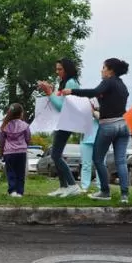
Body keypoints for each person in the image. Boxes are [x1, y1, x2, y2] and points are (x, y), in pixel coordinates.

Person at [61, 58, 131, 203]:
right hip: (124, 125)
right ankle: (124, 195)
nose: (102, 70)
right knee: (121, 162)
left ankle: (105, 191)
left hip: (108, 125)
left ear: (110, 70)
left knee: (98, 159)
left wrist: (71, 91)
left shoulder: (108, 81)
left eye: (104, 67)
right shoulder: (122, 85)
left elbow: (95, 91)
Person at [36, 59, 81, 197]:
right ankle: (63, 186)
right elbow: (59, 100)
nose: (57, 72)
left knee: (55, 155)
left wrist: (49, 93)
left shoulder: (71, 83)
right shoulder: (65, 82)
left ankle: (72, 185)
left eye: (60, 69)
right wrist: (51, 90)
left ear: (67, 69)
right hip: (61, 122)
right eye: (56, 69)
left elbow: (62, 106)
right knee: (56, 155)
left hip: (66, 122)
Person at [0, 104, 32, 198]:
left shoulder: (4, 126)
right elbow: (28, 138)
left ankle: (12, 191)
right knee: (20, 172)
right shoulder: (25, 125)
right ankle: (20, 192)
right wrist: (25, 145)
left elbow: (2, 141)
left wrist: (1, 152)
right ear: (21, 114)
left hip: (8, 153)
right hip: (21, 152)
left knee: (11, 172)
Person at [78, 100, 100, 193]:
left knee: (100, 164)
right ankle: (84, 187)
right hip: (86, 141)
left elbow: (100, 117)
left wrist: (92, 111)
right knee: (86, 165)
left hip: (100, 140)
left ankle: (101, 187)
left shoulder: (100, 110)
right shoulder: (84, 113)